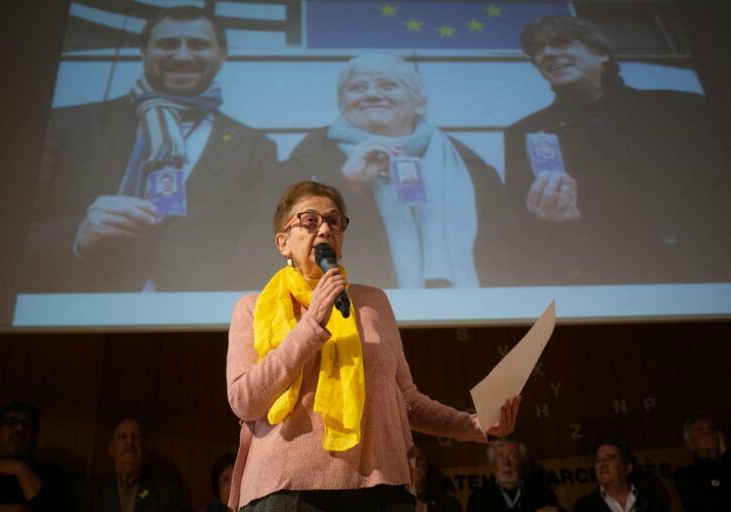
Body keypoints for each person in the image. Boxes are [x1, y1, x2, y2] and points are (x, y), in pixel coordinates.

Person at [225, 180, 522, 512]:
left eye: (334, 221)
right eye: (310, 220)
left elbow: (407, 400)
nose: (324, 229)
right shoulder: (253, 309)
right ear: (283, 242)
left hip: (382, 489)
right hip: (287, 491)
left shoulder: (373, 302)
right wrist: (312, 324)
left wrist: (474, 425)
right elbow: (245, 401)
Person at [22, 6, 277, 293]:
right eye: (168, 44)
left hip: (197, 313)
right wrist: (77, 234)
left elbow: (259, 247)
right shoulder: (65, 126)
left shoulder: (257, 148)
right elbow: (10, 234)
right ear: (143, 52)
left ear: (223, 55)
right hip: (83, 309)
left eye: (198, 45)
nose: (182, 56)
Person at [504, 15, 731, 285]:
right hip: (614, 280)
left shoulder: (685, 109)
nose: (548, 53)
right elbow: (525, 230)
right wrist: (551, 224)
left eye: (561, 43)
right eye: (538, 49)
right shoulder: (524, 133)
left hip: (711, 274)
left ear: (601, 53)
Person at [282, 54, 519, 289]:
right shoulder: (309, 159)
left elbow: (505, 255)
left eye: (387, 85)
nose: (372, 94)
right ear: (342, 103)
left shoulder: (468, 167)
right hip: (356, 303)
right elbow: (296, 241)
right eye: (358, 87)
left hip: (461, 307)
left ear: (419, 102)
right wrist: (348, 181)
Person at [0, 400, 65, 511]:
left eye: (27, 425)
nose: (19, 429)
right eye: (11, 422)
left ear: (34, 438)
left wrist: (20, 469)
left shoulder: (50, 475)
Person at [77, 418, 183, 512]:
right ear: (111, 449)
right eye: (123, 436)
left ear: (145, 449)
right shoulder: (92, 491)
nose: (130, 441)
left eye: (136, 436)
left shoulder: (166, 492)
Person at [466, 436, 560, 512]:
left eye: (513, 456)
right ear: (493, 464)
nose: (506, 462)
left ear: (522, 462)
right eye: (500, 456)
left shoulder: (543, 494)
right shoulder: (479, 498)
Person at [572, 438, 668, 512]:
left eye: (608, 458)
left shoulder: (652, 500)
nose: (601, 465)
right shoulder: (584, 507)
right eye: (598, 460)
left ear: (627, 467)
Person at [674, 412, 731, 511]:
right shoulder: (686, 474)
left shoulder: (726, 463)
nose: (709, 432)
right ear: (691, 444)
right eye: (700, 430)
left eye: (712, 428)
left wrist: (726, 455)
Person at [413, 445, 462, 512]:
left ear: (428, 463)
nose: (415, 463)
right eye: (411, 459)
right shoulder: (400, 500)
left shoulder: (447, 502)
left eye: (419, 459)